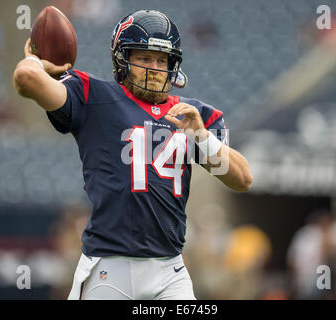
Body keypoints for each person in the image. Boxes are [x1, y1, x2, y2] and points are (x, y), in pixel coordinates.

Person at [13, 9, 252, 300]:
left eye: (162, 60)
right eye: (144, 58)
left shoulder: (195, 115)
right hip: (108, 268)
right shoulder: (94, 96)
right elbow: (26, 79)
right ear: (122, 60)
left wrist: (202, 137)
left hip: (170, 272)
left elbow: (242, 179)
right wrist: (34, 62)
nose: (155, 68)